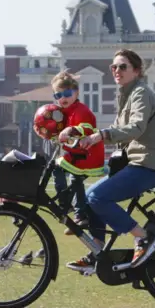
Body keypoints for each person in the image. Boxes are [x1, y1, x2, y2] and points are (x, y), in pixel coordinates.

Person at [65, 49, 155, 274]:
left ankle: (143, 237)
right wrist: (81, 137)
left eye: (122, 66)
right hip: (134, 163)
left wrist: (100, 135)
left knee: (97, 197)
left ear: (137, 70)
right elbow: (118, 133)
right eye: (113, 67)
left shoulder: (140, 93)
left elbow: (136, 127)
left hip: (148, 164)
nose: (116, 71)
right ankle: (97, 252)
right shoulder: (126, 95)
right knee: (89, 196)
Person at [42, 70, 105, 236]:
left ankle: (73, 210)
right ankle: (71, 208)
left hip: (88, 155)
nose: (63, 98)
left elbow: (88, 128)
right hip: (76, 154)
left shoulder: (81, 110)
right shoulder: (65, 112)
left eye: (67, 93)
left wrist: (72, 129)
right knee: (63, 171)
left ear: (76, 92)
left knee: (71, 176)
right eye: (58, 95)